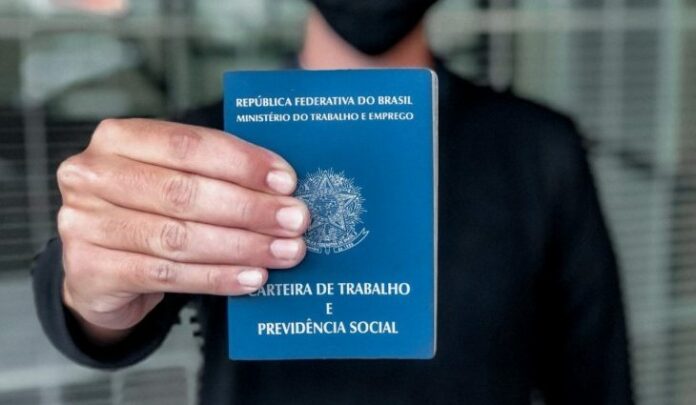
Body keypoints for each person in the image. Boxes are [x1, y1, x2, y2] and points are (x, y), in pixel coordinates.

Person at [32, 1, 634, 403]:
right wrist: (90, 289)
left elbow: (596, 376)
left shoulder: (537, 147)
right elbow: (106, 313)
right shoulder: (211, 144)